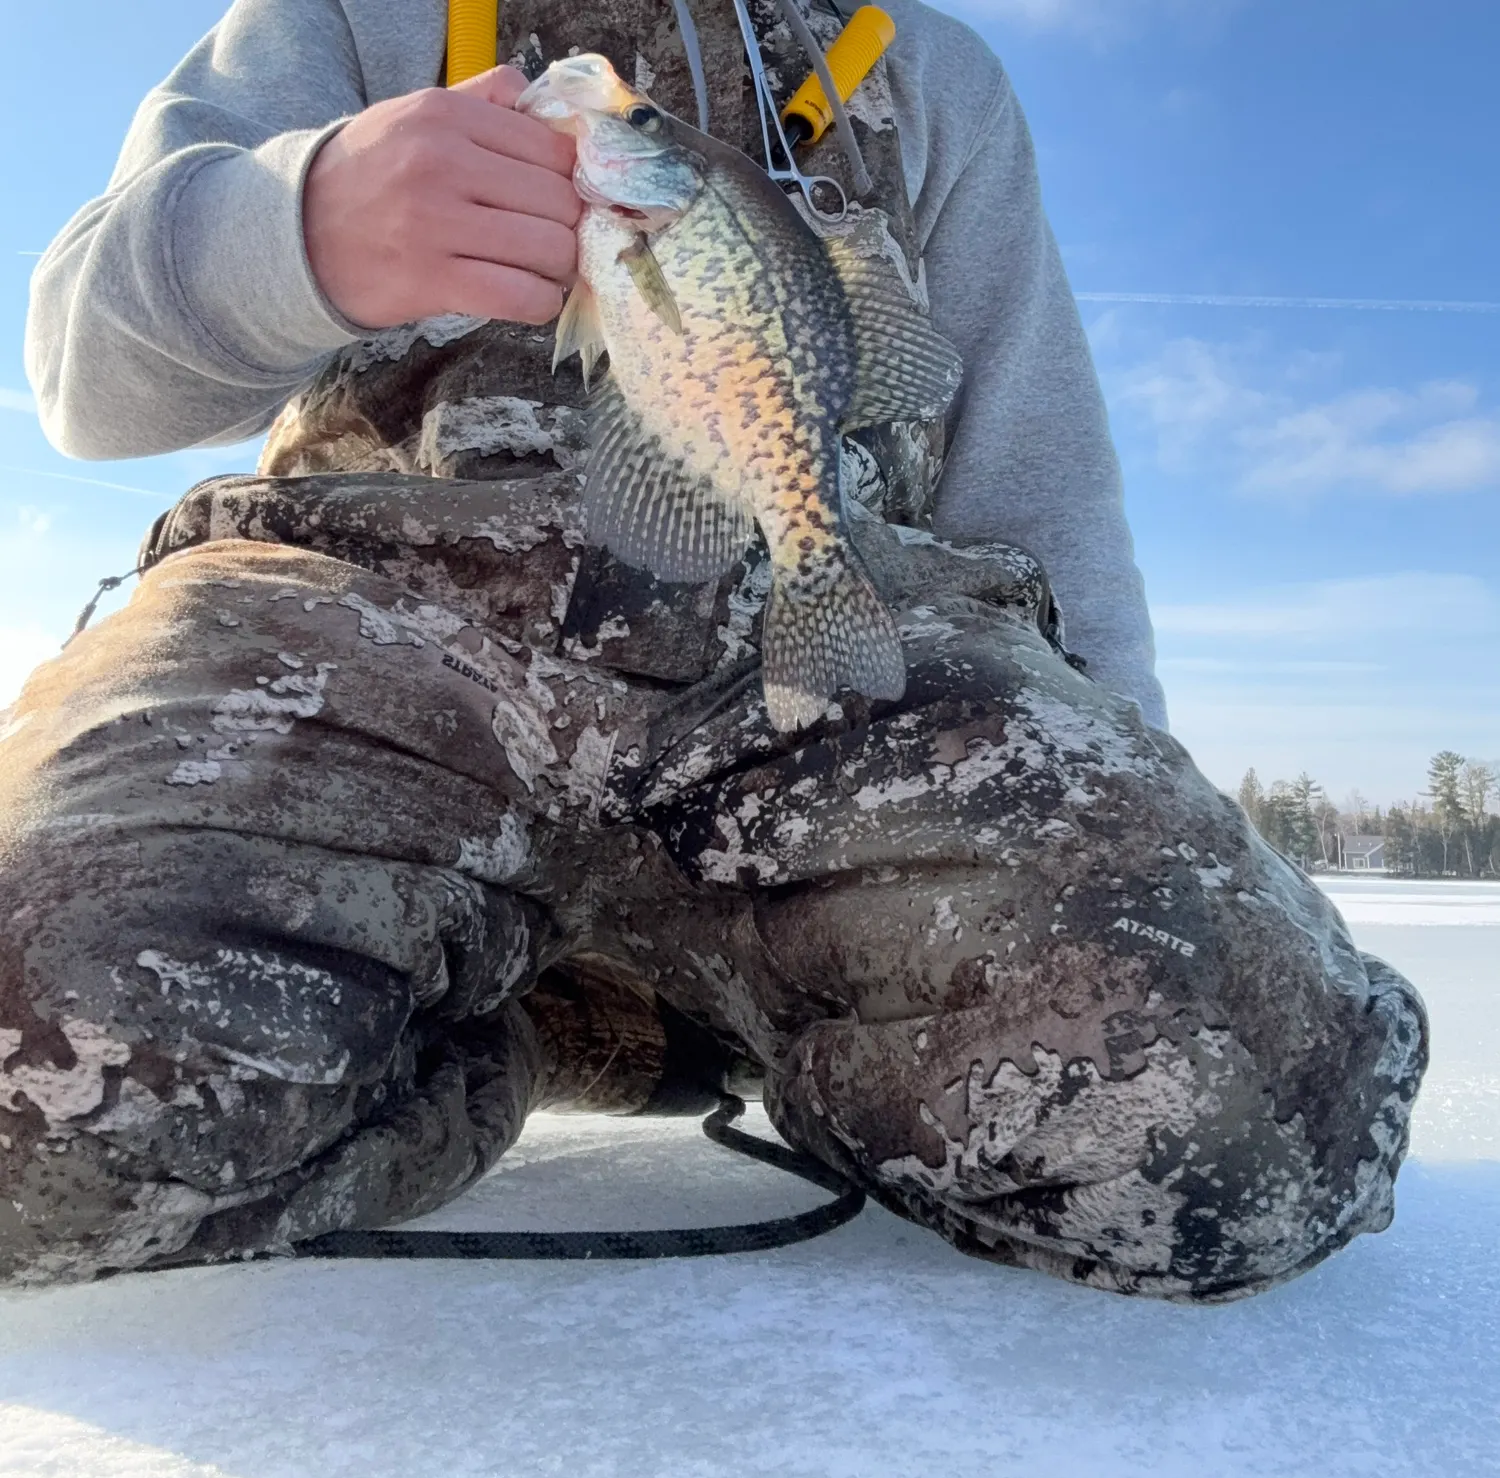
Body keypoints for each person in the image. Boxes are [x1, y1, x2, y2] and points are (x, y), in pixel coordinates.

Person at [4, 0, 1425, 1298]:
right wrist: (295, 227)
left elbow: (1039, 484)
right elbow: (80, 373)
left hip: (829, 682)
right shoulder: (347, 15)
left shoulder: (925, 75)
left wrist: (1126, 802)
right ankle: (528, 1023)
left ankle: (737, 1016)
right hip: (362, 639)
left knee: (1256, 1111)